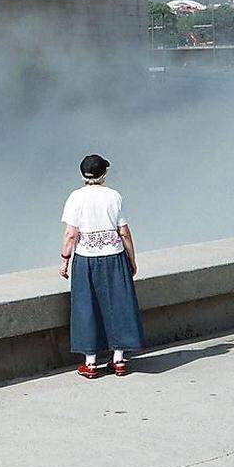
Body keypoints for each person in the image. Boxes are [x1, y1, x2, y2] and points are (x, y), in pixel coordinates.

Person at [58, 154, 144, 378]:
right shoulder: (113, 196)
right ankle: (118, 359)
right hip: (114, 257)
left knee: (87, 307)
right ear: (104, 174)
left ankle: (91, 363)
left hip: (86, 258)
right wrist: (131, 259)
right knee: (118, 304)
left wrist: (64, 260)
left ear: (82, 175)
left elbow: (71, 233)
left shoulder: (75, 198)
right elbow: (123, 231)